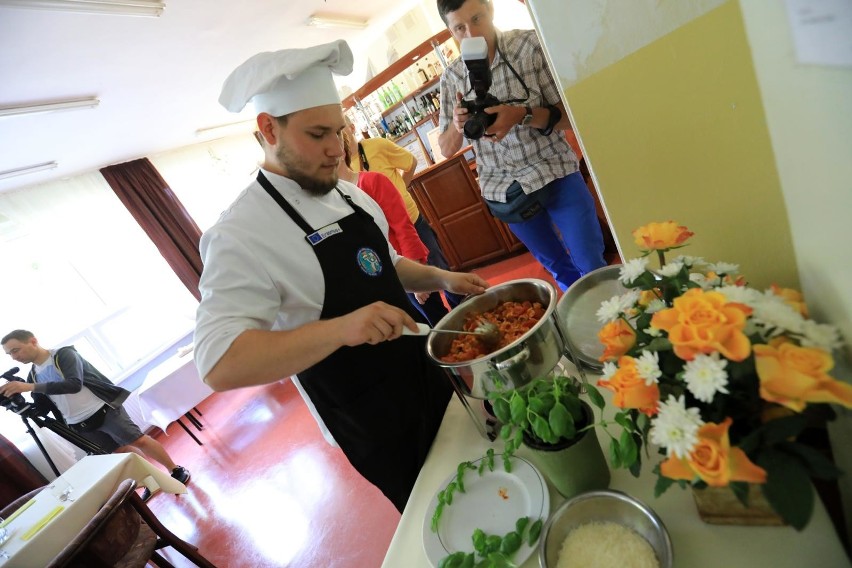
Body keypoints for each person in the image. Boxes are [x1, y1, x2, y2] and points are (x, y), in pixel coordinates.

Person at [196, 40, 489, 511]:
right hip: (370, 415)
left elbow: (386, 267)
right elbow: (218, 363)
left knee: (486, 469)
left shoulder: (350, 196)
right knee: (446, 512)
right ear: (268, 129)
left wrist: (444, 280)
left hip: (425, 369)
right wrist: (343, 328)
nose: (337, 149)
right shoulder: (240, 234)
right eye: (317, 135)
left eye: (339, 130)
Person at [436, 0, 607, 291]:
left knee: (591, 266)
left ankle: (613, 329)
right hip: (505, 191)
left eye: (477, 18)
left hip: (555, 172)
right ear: (450, 31)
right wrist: (457, 123)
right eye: (459, 28)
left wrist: (521, 114)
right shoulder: (452, 77)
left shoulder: (528, 46)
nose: (471, 32)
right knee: (559, 270)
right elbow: (446, 148)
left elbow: (570, 117)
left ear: (490, 9)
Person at [0, 330, 191, 501]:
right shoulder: (33, 375)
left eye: (16, 350)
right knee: (121, 451)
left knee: (139, 441)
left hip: (102, 408)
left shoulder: (63, 354)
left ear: (32, 341)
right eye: (10, 354)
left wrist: (30, 387)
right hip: (77, 423)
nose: (14, 357)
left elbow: (74, 384)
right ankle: (153, 481)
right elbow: (43, 407)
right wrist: (19, 402)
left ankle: (175, 470)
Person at [339, 127, 451, 326]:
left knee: (439, 319)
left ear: (341, 149)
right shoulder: (330, 199)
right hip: (382, 280)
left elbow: (403, 229)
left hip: (404, 267)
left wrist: (416, 278)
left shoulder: (373, 182)